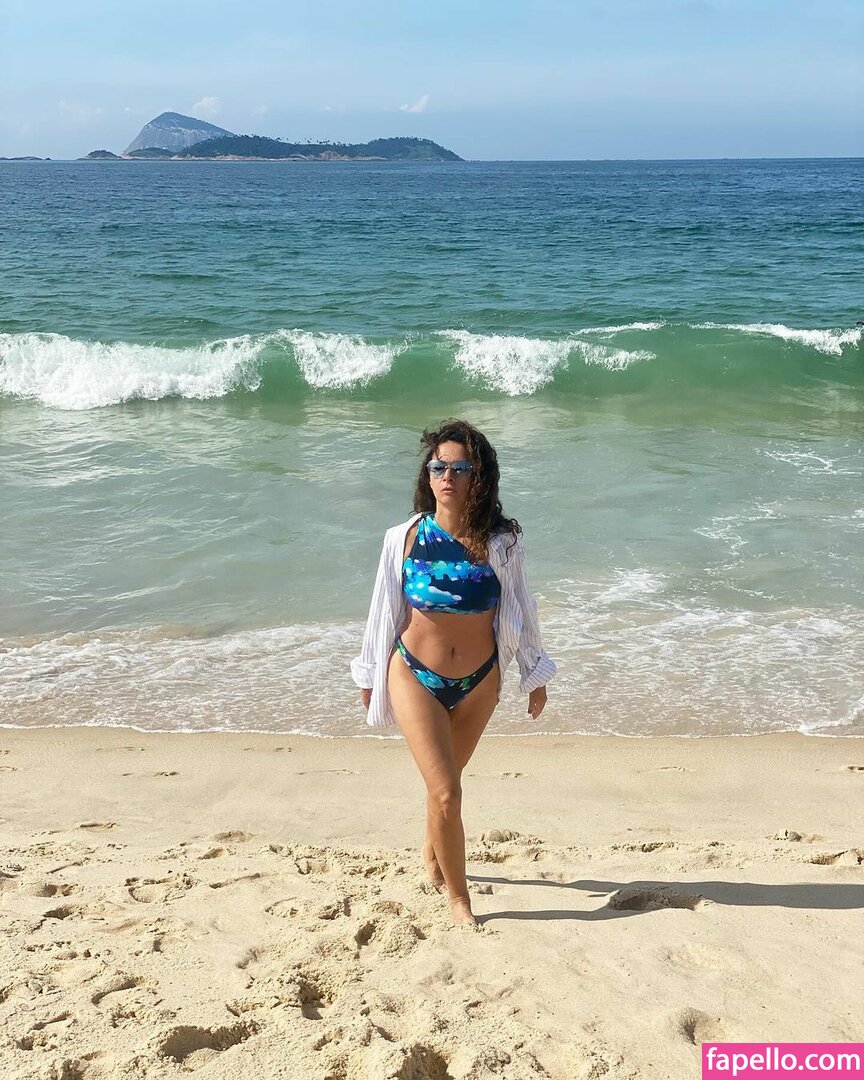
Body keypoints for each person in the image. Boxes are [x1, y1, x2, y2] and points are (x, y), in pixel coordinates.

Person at [350, 419, 556, 926]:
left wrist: (534, 673)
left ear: (478, 477)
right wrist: (370, 673)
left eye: (460, 469)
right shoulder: (403, 537)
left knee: (444, 783)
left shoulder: (501, 542)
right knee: (447, 791)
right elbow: (382, 609)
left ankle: (432, 850)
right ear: (428, 474)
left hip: (480, 682)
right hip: (413, 674)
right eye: (438, 467)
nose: (447, 476)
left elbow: (521, 607)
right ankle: (459, 901)